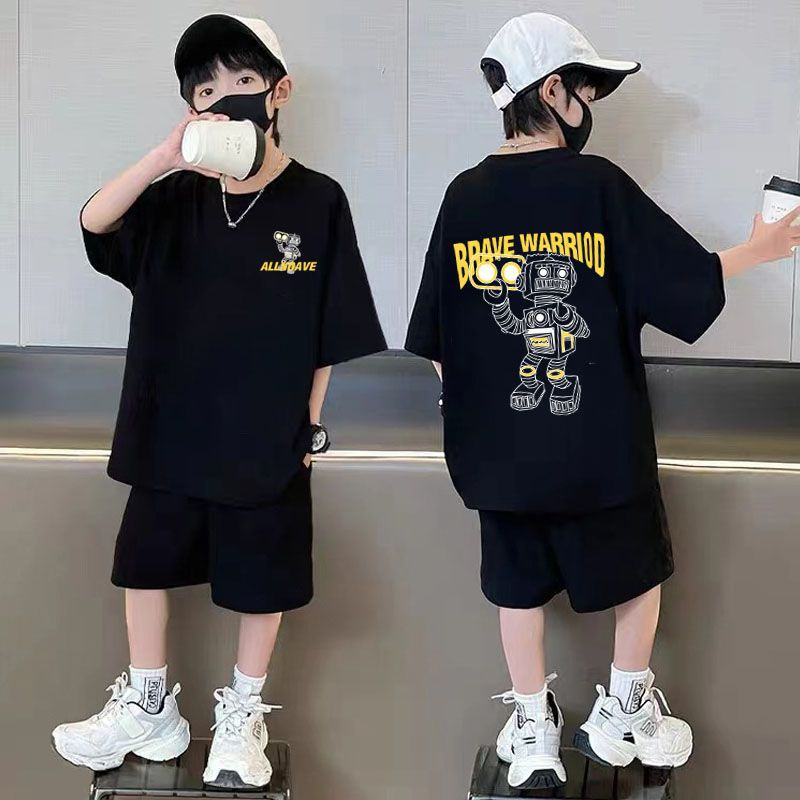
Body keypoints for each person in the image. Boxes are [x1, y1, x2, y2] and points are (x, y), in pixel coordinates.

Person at [405, 12, 800, 790]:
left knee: (515, 587)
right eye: (586, 90)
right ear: (554, 91)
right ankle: (622, 710)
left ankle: (532, 728)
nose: (589, 107)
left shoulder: (463, 197)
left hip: (499, 456)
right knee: (638, 573)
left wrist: (475, 419)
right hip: (598, 448)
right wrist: (761, 248)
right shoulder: (597, 186)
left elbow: (437, 338)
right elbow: (680, 281)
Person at [52, 13, 386, 789]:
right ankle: (149, 707)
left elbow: (329, 329)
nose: (225, 97)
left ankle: (242, 716)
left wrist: (310, 427)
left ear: (279, 91)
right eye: (206, 90)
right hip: (168, 426)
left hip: (266, 434)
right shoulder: (174, 200)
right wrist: (166, 156)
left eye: (242, 80)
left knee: (259, 577)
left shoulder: (318, 201)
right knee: (143, 565)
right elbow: (95, 220)